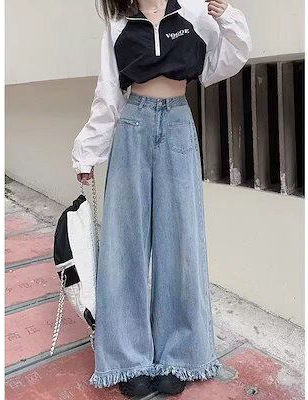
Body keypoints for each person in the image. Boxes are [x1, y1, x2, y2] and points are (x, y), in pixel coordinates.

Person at [72, 0, 251, 396]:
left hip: (177, 123)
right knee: (124, 246)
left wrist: (229, 19)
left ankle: (181, 355)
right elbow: (109, 92)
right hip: (133, 125)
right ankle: (128, 360)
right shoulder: (119, 24)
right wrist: (88, 152)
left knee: (182, 242)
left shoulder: (193, 14)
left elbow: (224, 62)